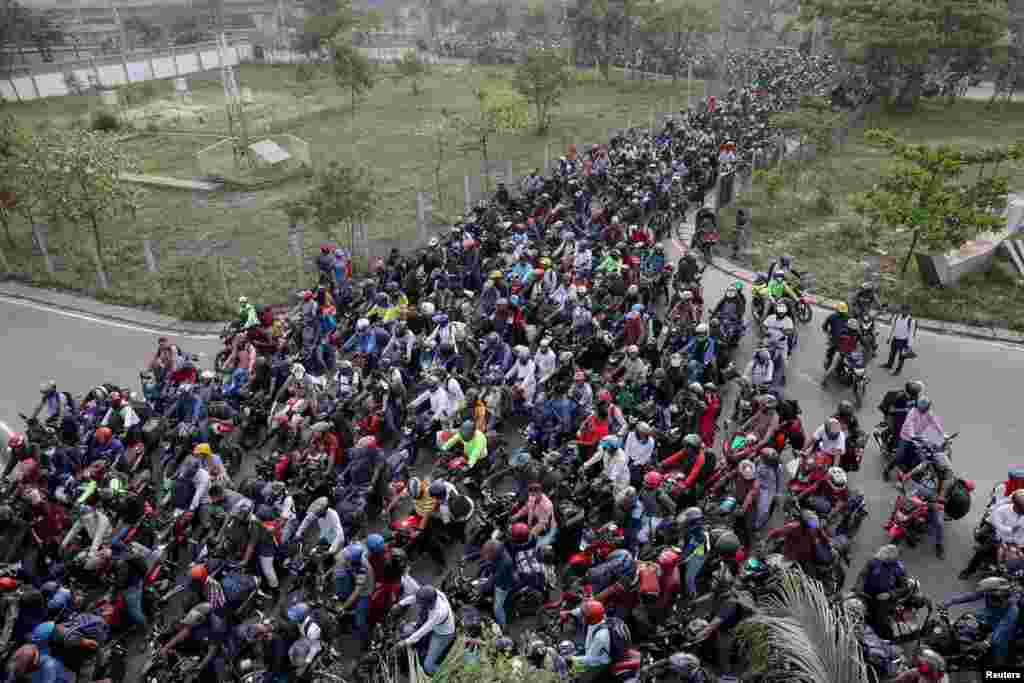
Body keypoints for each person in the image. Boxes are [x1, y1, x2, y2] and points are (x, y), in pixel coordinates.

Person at [939, 576, 1020, 667]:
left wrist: (987, 642)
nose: (988, 597)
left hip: (1001, 627)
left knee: (998, 644)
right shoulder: (990, 593)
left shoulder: (1013, 610)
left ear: (1000, 596)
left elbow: (1002, 628)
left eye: (991, 596)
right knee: (965, 620)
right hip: (987, 616)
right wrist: (950, 602)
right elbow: (971, 596)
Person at [392, 586, 456, 676]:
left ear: (429, 604)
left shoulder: (439, 613)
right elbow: (415, 598)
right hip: (433, 625)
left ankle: (448, 676)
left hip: (443, 635)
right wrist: (400, 604)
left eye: (422, 604)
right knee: (407, 630)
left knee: (428, 666)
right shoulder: (433, 593)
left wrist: (404, 642)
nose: (419, 605)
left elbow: (422, 631)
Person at [883, 396, 945, 480]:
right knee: (899, 455)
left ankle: (913, 472)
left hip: (918, 437)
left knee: (923, 454)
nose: (926, 409)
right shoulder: (913, 412)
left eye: (927, 408)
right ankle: (887, 470)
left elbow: (935, 422)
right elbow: (910, 424)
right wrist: (912, 436)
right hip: (907, 437)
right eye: (925, 408)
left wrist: (942, 433)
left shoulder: (928, 413)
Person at [560, 600, 612, 683]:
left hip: (600, 663)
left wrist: (572, 659)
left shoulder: (601, 636)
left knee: (581, 679)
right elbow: (580, 611)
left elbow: (591, 659)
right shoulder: (598, 619)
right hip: (593, 652)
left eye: (584, 616)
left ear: (590, 618)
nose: (582, 617)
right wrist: (569, 613)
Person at [479, 539, 517, 628]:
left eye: (489, 554)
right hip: (502, 576)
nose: (487, 555)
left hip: (504, 586)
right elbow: (485, 554)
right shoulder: (500, 551)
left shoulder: (505, 563)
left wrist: (484, 585)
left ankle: (503, 626)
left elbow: (495, 578)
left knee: (497, 609)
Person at [510, 481, 558, 549]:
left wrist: (531, 533)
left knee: (538, 546)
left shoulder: (546, 505)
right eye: (530, 495)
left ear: (539, 493)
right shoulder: (533, 497)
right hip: (535, 522)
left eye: (533, 495)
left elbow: (543, 523)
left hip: (548, 528)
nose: (531, 497)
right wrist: (516, 515)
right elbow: (527, 507)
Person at [882, 304, 916, 375]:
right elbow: (892, 328)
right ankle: (889, 365)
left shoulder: (911, 321)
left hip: (904, 341)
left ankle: (898, 370)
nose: (904, 311)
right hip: (895, 339)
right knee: (892, 353)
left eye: (906, 310)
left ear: (909, 311)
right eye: (903, 309)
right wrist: (889, 337)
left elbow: (911, 334)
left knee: (901, 357)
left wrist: (909, 345)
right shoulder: (897, 317)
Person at [821, 302, 850, 372]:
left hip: (834, 340)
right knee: (845, 355)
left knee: (830, 353)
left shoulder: (831, 316)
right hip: (844, 341)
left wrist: (828, 334)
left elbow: (824, 327)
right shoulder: (849, 318)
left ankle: (828, 363)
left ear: (837, 309)